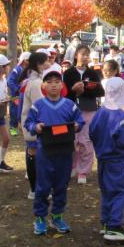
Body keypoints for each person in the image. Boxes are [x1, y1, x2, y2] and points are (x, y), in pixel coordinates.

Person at [24, 65, 84, 236]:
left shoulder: (69, 105)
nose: (53, 85)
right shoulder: (38, 105)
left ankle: (57, 216)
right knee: (42, 187)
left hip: (65, 152)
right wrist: (36, 127)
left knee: (61, 186)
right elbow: (29, 123)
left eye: (57, 82)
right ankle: (40, 218)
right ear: (43, 87)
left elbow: (80, 121)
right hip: (45, 152)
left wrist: (78, 125)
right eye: (49, 82)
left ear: (62, 86)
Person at [89, 76, 124, 243]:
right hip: (116, 160)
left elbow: (92, 132)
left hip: (102, 159)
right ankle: (114, 226)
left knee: (106, 191)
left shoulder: (99, 113)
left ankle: (106, 222)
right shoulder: (122, 117)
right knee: (119, 192)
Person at [63, 43, 105, 184]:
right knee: (71, 140)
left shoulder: (93, 73)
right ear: (76, 56)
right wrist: (73, 90)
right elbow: (63, 94)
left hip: (88, 109)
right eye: (83, 54)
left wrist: (86, 88)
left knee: (86, 141)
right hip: (71, 110)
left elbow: (100, 91)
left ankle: (83, 171)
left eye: (87, 55)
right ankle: (72, 166)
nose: (86, 57)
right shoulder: (68, 73)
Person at [21, 52, 51, 199]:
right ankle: (35, 189)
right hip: (33, 125)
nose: (49, 62)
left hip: (32, 124)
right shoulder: (35, 83)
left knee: (34, 154)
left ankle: (36, 188)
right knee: (34, 155)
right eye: (47, 60)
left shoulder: (35, 80)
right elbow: (40, 106)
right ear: (39, 64)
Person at [7, 51, 30, 137]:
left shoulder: (28, 70)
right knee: (14, 112)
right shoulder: (16, 70)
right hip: (16, 96)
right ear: (24, 60)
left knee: (23, 112)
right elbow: (10, 81)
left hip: (25, 95)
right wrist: (18, 89)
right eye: (28, 60)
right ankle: (13, 127)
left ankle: (23, 127)